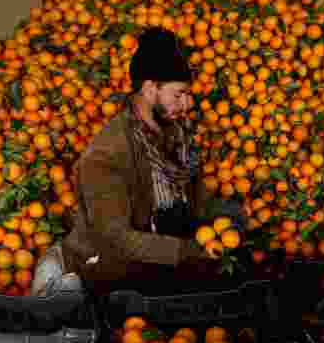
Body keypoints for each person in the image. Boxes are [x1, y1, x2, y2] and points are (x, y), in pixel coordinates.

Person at [30, 27, 236, 297]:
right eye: (179, 94)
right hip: (99, 272)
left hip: (152, 266)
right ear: (150, 88)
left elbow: (195, 199)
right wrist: (188, 251)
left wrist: (226, 220)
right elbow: (117, 239)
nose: (187, 104)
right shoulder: (108, 153)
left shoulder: (175, 136)